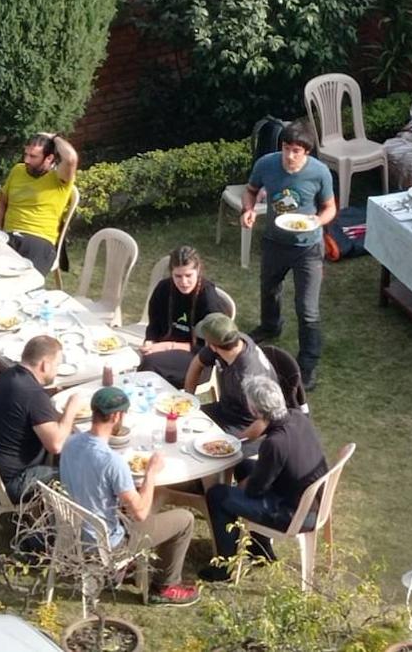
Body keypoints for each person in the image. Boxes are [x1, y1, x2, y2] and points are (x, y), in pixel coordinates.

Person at [60, 386, 201, 606]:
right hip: (107, 545)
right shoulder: (111, 462)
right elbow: (141, 513)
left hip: (75, 532)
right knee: (185, 519)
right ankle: (165, 587)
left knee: (152, 498)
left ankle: (127, 570)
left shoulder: (70, 443)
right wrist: (151, 473)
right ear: (117, 416)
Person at [199, 375, 328, 582]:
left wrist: (236, 488)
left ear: (255, 411)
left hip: (294, 514)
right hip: (311, 501)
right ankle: (260, 550)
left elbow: (254, 491)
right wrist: (242, 438)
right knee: (243, 465)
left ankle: (225, 567)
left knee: (218, 495)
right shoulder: (297, 417)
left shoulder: (275, 444)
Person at [241, 118, 336, 390]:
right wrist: (248, 210)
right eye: (286, 148)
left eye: (296, 150)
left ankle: (307, 365)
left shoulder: (319, 173)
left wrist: (318, 221)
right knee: (269, 288)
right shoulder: (266, 164)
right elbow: (251, 190)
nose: (289, 155)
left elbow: (330, 207)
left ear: (306, 151)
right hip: (274, 241)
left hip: (308, 247)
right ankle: (270, 325)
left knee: (307, 309)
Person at [0, 335, 84, 502]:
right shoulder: (33, 395)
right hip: (9, 484)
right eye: (57, 365)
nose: (57, 370)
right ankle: (54, 525)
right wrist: (71, 409)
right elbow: (56, 445)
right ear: (45, 365)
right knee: (77, 474)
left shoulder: (9, 375)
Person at [138, 246, 228, 388]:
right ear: (171, 273)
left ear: (198, 271)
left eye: (188, 276)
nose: (184, 282)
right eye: (178, 276)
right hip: (164, 349)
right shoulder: (163, 289)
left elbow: (213, 346)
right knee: (140, 360)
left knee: (150, 364)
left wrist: (168, 346)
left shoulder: (208, 298)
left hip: (198, 358)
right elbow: (154, 324)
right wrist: (150, 341)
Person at [0, 132, 79, 276]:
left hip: (39, 239)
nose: (26, 160)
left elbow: (70, 158)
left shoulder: (59, 179)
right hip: (9, 236)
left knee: (24, 282)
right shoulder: (17, 170)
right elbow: (1, 202)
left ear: (49, 158)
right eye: (26, 154)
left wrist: (54, 137)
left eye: (33, 156)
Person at [184, 313, 275, 441]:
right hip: (225, 410)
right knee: (182, 422)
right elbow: (197, 363)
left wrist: (231, 444)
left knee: (194, 446)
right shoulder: (235, 340)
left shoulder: (248, 377)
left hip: (245, 425)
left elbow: (265, 419)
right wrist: (189, 399)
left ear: (212, 346)